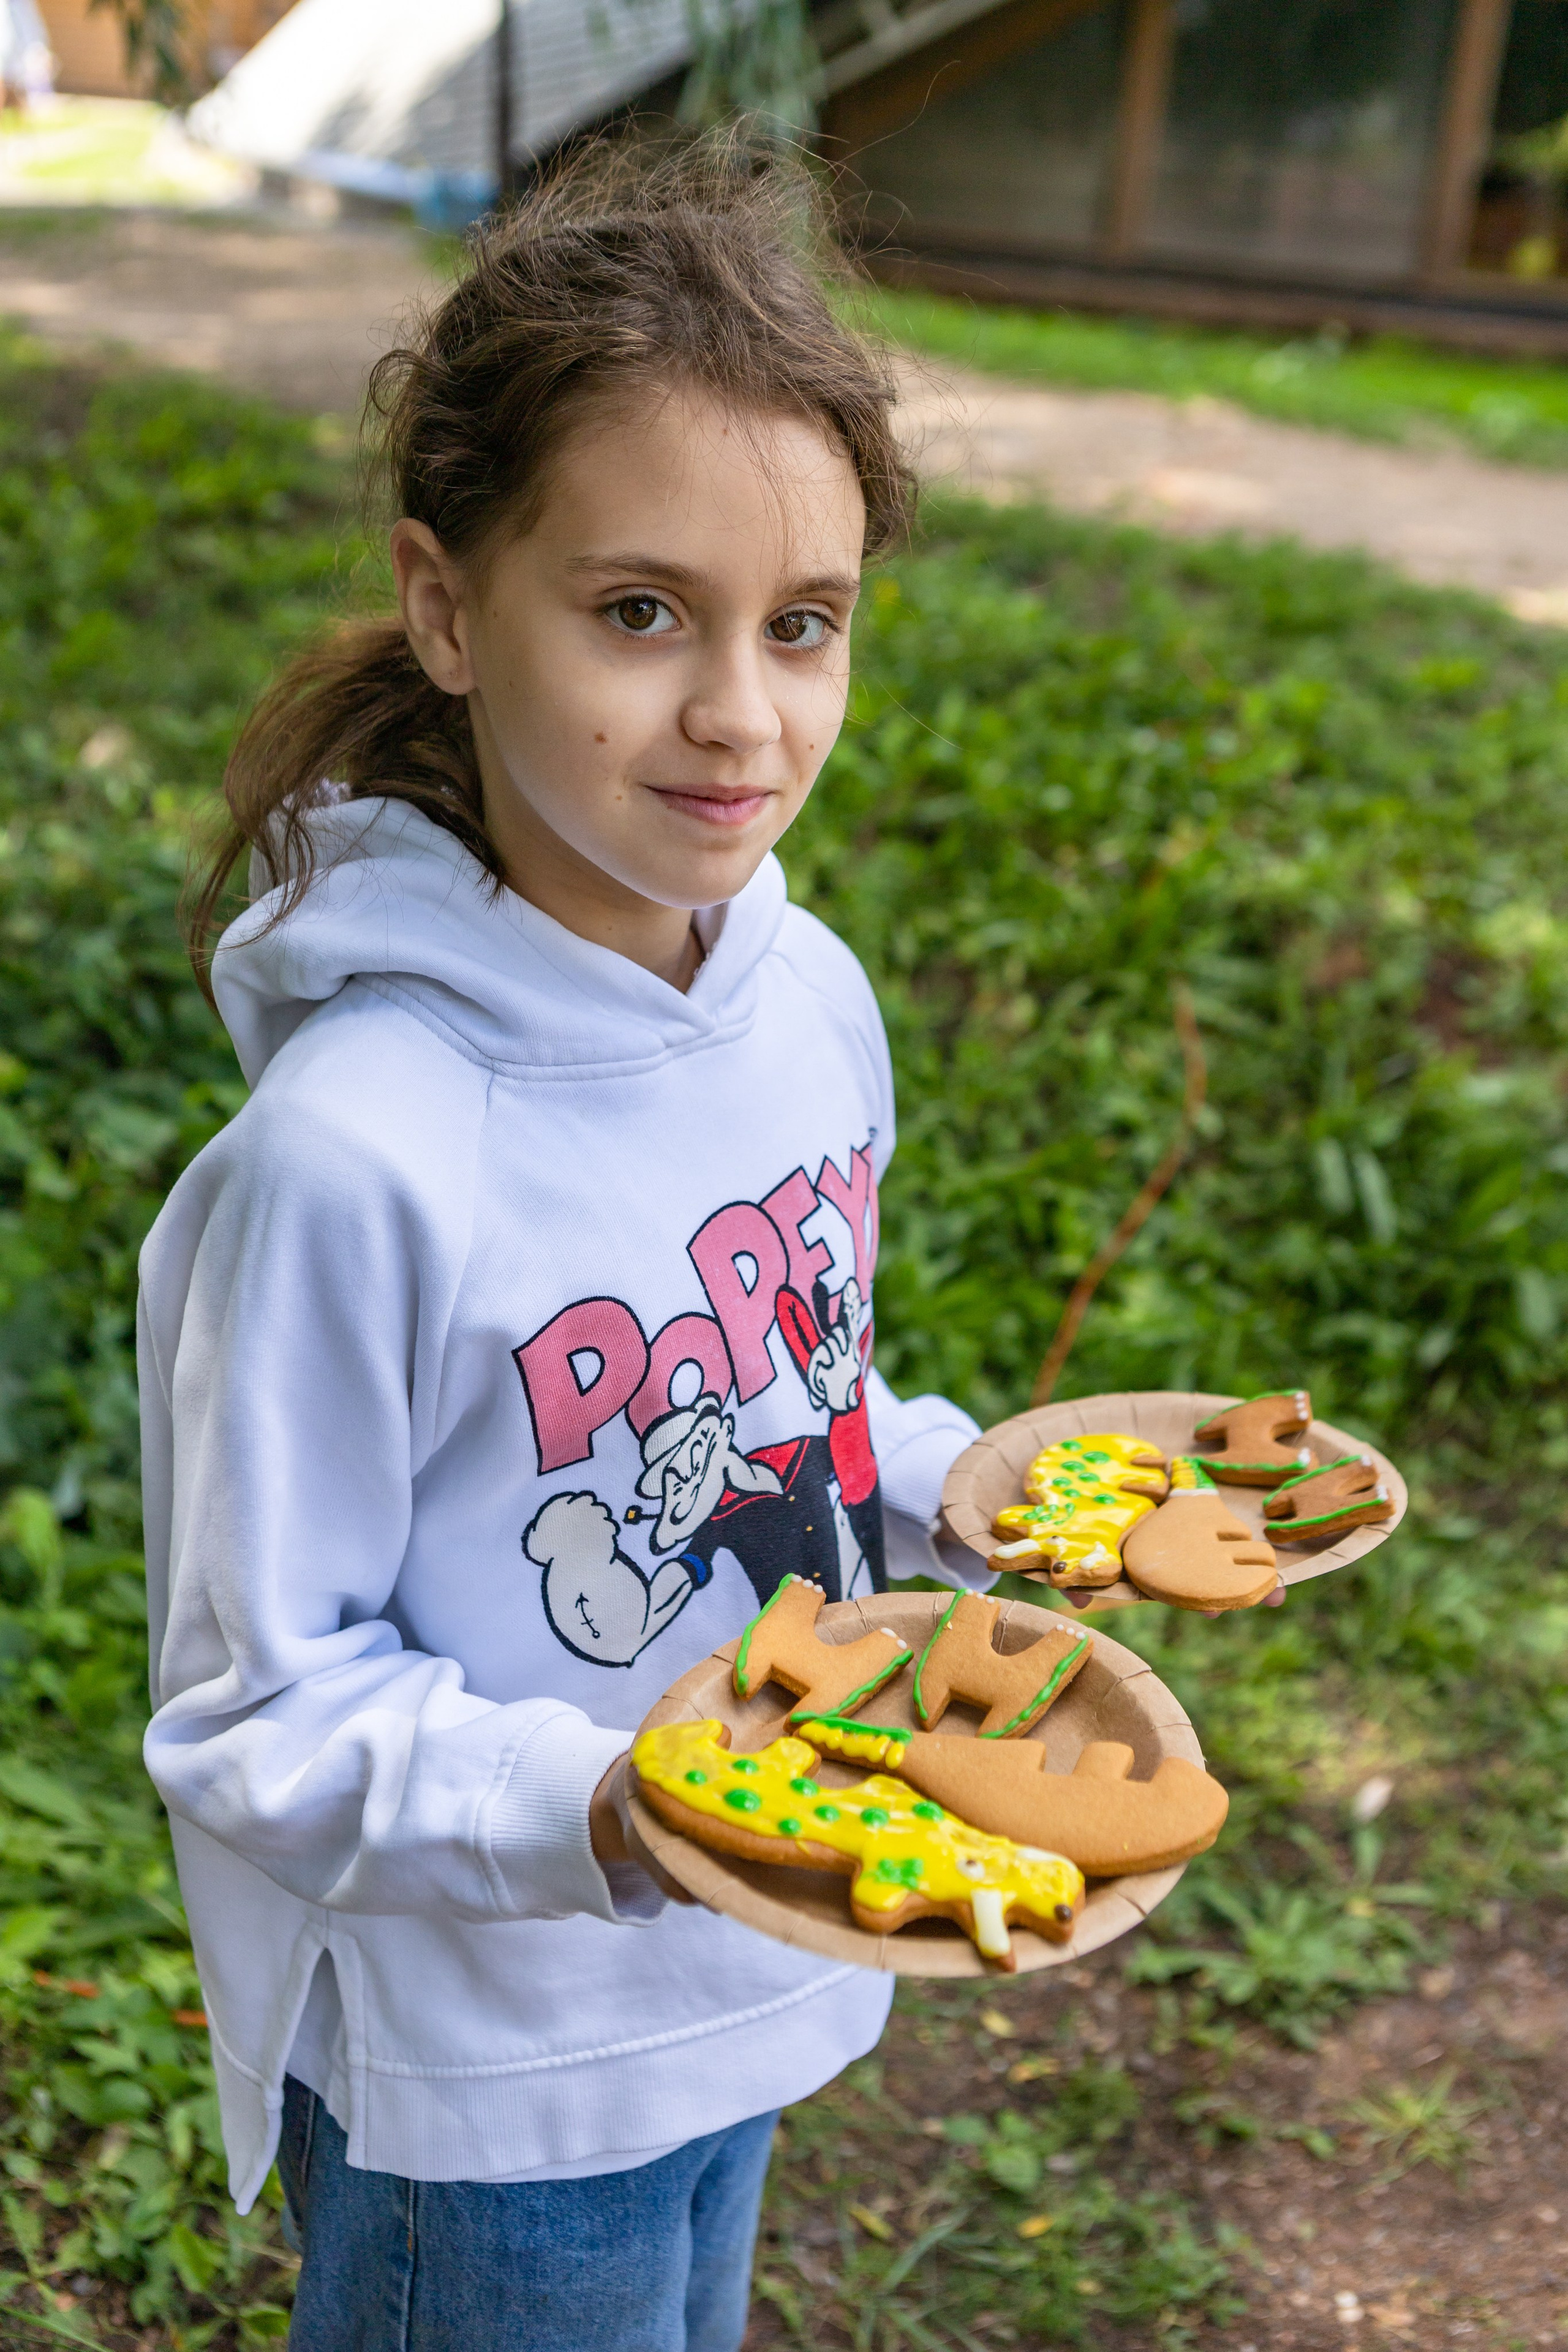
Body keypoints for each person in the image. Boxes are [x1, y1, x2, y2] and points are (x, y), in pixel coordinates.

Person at [137, 136, 986, 2352]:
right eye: (640, 612)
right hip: (498, 2081)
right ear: (445, 603)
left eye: (802, 626)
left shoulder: (806, 1001)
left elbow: (782, 1396)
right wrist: (617, 1805)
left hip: (763, 1967)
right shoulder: (361, 1154)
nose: (739, 712)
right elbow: (257, 1708)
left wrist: (953, 1491)